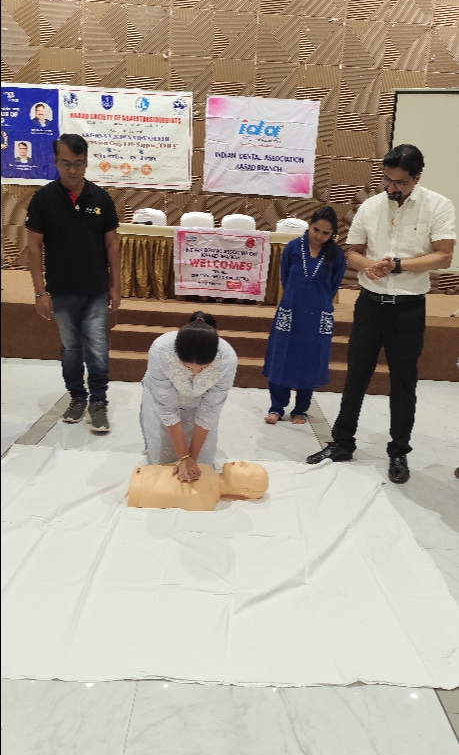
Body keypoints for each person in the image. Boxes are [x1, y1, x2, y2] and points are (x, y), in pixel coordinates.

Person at [307, 144, 456, 483]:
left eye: (399, 182)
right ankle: (342, 442)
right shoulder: (371, 206)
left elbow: (443, 255)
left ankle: (399, 451)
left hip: (408, 308)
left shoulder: (438, 205)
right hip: (370, 304)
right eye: (387, 179)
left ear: (417, 178)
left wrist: (397, 265)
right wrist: (368, 265)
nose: (391, 187)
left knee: (403, 382)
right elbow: (353, 252)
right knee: (356, 374)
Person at [26, 133, 121, 432]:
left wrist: (116, 286)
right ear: (56, 162)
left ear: (86, 162)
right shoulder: (42, 199)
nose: (72, 170)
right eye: (65, 163)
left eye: (78, 163)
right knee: (70, 348)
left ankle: (99, 402)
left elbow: (112, 245)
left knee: (97, 347)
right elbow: (33, 247)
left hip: (95, 290)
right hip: (62, 290)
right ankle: (77, 397)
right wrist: (40, 292)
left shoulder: (101, 198)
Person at [263, 206, 346, 424]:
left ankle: (300, 409)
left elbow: (333, 285)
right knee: (282, 355)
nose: (319, 236)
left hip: (318, 313)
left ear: (332, 234)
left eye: (325, 233)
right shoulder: (292, 247)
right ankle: (276, 407)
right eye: (316, 229)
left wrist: (317, 300)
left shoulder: (336, 255)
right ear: (310, 225)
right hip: (291, 309)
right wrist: (296, 297)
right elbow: (285, 277)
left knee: (311, 358)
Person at [140, 312, 237, 482]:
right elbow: (167, 409)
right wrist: (184, 457)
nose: (195, 373)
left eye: (203, 368)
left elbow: (210, 411)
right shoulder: (161, 350)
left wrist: (191, 458)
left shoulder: (226, 359)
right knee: (165, 466)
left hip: (200, 403)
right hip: (163, 400)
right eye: (187, 367)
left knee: (202, 465)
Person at [128, 460, 269, 510]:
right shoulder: (206, 468)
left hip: (137, 492)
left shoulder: (206, 501)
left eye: (249, 470)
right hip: (141, 472)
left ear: (244, 490)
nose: (243, 462)